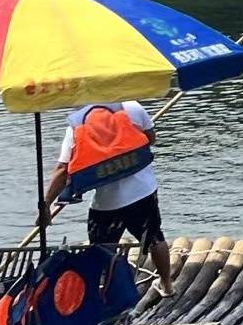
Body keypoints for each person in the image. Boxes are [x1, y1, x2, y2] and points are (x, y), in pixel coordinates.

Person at [44, 101, 174, 297]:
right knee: (155, 238)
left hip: (106, 203)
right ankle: (167, 285)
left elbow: (62, 171)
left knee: (101, 249)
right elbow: (150, 140)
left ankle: (103, 294)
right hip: (143, 191)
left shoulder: (77, 126)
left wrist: (45, 206)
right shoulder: (134, 108)